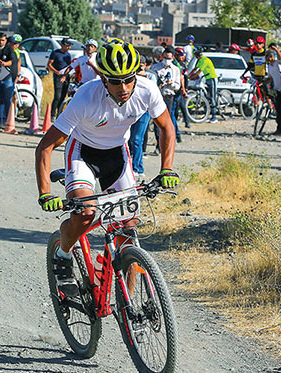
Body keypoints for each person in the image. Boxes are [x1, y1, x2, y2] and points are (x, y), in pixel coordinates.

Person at [35, 41, 179, 296]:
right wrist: (45, 192)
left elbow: (166, 127)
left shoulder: (147, 90)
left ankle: (131, 306)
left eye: (128, 79)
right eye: (115, 81)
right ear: (102, 77)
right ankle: (63, 253)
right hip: (83, 154)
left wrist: (166, 169)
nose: (123, 88)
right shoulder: (85, 98)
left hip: (117, 155)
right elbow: (45, 146)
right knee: (86, 214)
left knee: (128, 227)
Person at [128, 55, 158, 178]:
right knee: (131, 140)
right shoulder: (130, 76)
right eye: (138, 64)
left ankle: (137, 168)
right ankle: (136, 167)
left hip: (145, 111)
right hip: (132, 110)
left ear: (146, 65)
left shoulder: (151, 76)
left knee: (137, 139)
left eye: (142, 64)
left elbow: (152, 92)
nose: (140, 66)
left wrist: (143, 78)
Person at [150, 48, 181, 140]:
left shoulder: (175, 69)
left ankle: (167, 140)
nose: (166, 60)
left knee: (166, 121)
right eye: (164, 58)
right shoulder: (155, 67)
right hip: (157, 96)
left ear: (172, 58)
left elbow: (177, 86)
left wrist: (170, 83)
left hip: (168, 96)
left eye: (168, 58)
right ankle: (158, 141)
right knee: (157, 120)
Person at [263, 45, 281, 135]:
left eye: (269, 56)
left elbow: (280, 56)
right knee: (279, 111)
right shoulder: (270, 66)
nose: (268, 58)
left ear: (273, 56)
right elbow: (270, 78)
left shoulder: (279, 62)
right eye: (266, 57)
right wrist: (264, 83)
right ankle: (279, 129)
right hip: (277, 90)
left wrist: (276, 49)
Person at [190, 48, 219, 123]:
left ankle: (214, 117)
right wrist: (188, 75)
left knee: (212, 97)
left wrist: (191, 77)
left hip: (212, 78)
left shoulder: (204, 60)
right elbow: (195, 69)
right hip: (207, 79)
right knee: (207, 96)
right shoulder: (199, 60)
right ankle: (208, 114)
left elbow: (199, 71)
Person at [48, 38, 73, 120]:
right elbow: (49, 64)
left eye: (69, 46)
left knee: (63, 97)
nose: (69, 48)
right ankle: (52, 114)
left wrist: (65, 76)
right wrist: (56, 72)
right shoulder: (55, 53)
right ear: (63, 45)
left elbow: (69, 66)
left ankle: (59, 114)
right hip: (58, 77)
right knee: (57, 96)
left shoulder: (68, 55)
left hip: (65, 77)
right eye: (67, 46)